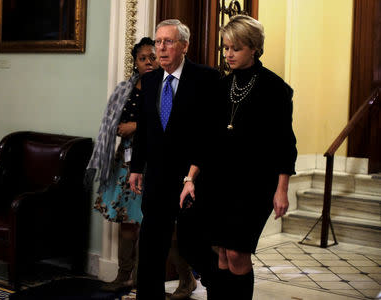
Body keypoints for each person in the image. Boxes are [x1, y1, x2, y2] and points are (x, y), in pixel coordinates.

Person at [180, 15, 297, 299]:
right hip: (217, 180)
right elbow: (206, 140)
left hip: (255, 184)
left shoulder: (275, 89)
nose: (228, 54)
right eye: (225, 48)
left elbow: (285, 143)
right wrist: (190, 178)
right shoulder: (221, 86)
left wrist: (282, 190)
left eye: (236, 48)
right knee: (220, 253)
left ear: (254, 48)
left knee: (236, 252)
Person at [129, 19, 220, 300]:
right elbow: (143, 127)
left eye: (168, 42)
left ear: (184, 46)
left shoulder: (206, 78)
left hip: (192, 178)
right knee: (151, 246)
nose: (161, 48)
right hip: (156, 177)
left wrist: (193, 175)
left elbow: (210, 132)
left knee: (195, 245)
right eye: (158, 42)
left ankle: (222, 291)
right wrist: (136, 168)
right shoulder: (151, 79)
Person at [86, 37, 158, 291]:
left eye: (153, 57)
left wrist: (134, 127)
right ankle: (123, 276)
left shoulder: (166, 87)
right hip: (125, 160)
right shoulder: (124, 89)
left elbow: (167, 122)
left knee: (156, 221)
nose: (148, 62)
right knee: (126, 219)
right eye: (143, 58)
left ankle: (165, 277)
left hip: (154, 161)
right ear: (135, 63)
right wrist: (119, 129)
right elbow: (111, 120)